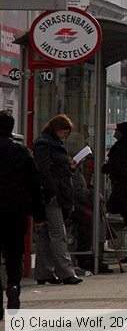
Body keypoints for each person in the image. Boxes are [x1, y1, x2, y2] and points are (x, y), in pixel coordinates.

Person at [0, 110, 46, 319]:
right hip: (16, 211)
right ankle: (14, 285)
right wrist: (39, 214)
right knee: (14, 252)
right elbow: (34, 185)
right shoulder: (22, 152)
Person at [32, 114, 82, 285]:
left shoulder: (54, 144)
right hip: (52, 195)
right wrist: (51, 192)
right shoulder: (44, 144)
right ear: (56, 129)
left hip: (57, 192)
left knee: (46, 235)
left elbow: (57, 169)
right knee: (58, 233)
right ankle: (66, 272)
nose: (65, 134)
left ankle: (43, 272)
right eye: (64, 131)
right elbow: (44, 171)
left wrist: (71, 168)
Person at [102, 122, 127, 264]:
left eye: (117, 130)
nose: (115, 132)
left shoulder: (121, 149)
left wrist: (105, 167)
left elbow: (119, 168)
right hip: (126, 188)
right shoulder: (125, 148)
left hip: (124, 189)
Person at [71, 155, 112, 273]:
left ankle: (93, 253)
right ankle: (85, 255)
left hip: (81, 203)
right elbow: (77, 192)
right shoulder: (75, 174)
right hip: (75, 204)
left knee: (95, 219)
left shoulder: (84, 176)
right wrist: (92, 194)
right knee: (89, 219)